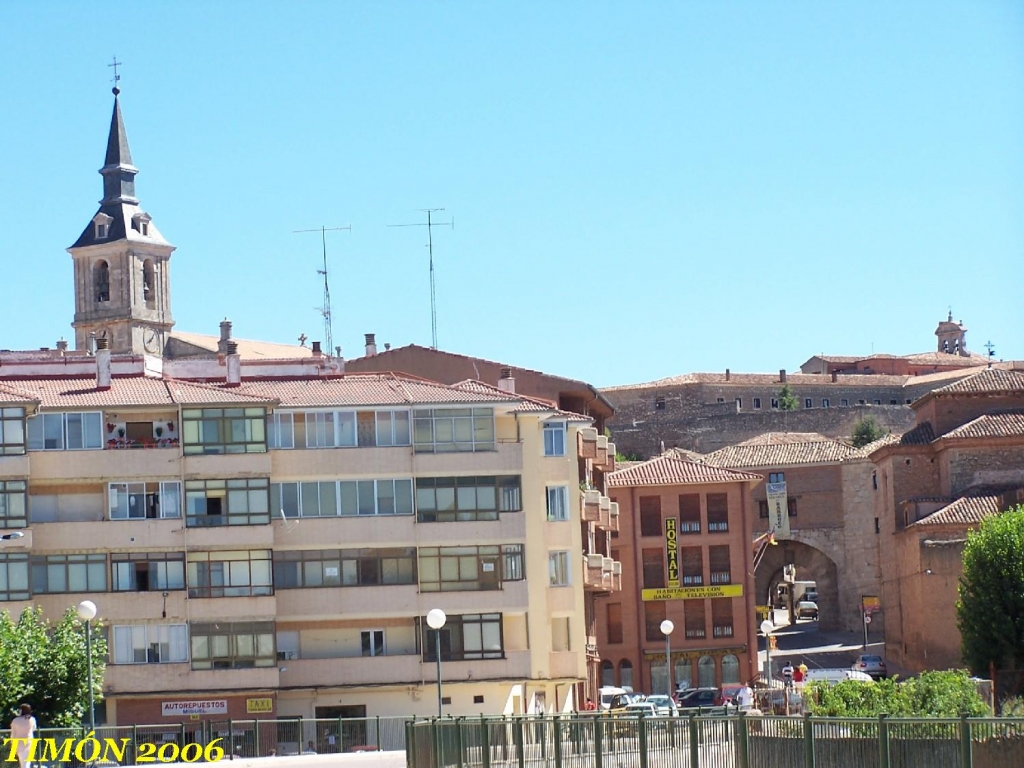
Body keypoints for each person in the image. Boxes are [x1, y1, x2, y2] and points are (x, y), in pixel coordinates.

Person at [10, 704, 38, 768]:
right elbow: (34, 728)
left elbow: (13, 734)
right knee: (26, 762)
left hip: (18, 744)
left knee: (23, 762)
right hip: (29, 743)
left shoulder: (15, 721)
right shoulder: (32, 719)